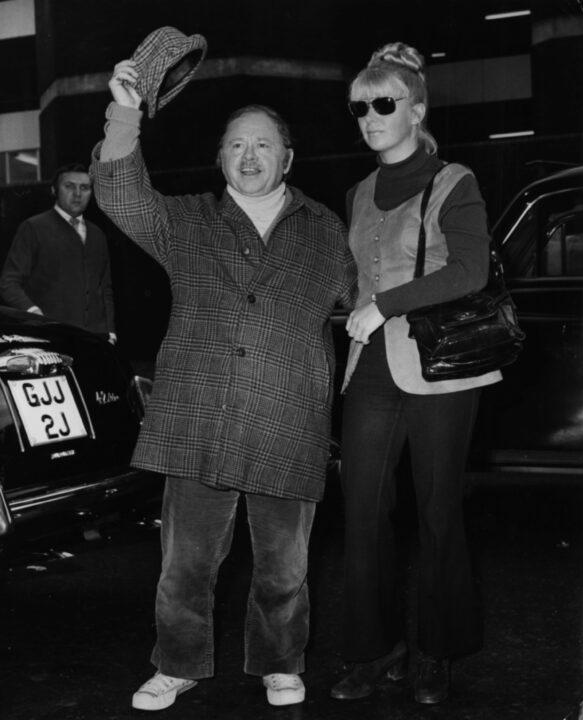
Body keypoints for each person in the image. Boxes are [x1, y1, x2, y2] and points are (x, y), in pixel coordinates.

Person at [89, 59, 356, 711]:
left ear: (287, 159)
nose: (249, 155)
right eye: (236, 144)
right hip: (198, 415)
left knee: (284, 567)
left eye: (263, 143)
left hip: (286, 419)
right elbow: (120, 194)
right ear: (219, 159)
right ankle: (177, 663)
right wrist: (124, 112)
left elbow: (359, 307)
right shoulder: (185, 223)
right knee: (185, 564)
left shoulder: (326, 233)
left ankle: (279, 661)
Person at [330, 42, 502, 706]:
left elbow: (469, 271)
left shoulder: (453, 180)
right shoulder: (357, 191)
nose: (369, 116)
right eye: (359, 107)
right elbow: (357, 280)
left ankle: (438, 651)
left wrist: (384, 304)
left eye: (383, 104)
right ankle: (375, 651)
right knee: (363, 513)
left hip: (440, 370)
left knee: (437, 513)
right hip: (369, 371)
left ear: (416, 109)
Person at [0, 163, 117, 344]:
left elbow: (104, 288)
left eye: (84, 187)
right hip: (51, 337)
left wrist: (110, 331)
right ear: (54, 190)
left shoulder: (97, 234)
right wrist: (33, 313)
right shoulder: (33, 228)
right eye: (69, 186)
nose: (77, 194)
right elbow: (8, 282)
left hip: (96, 340)